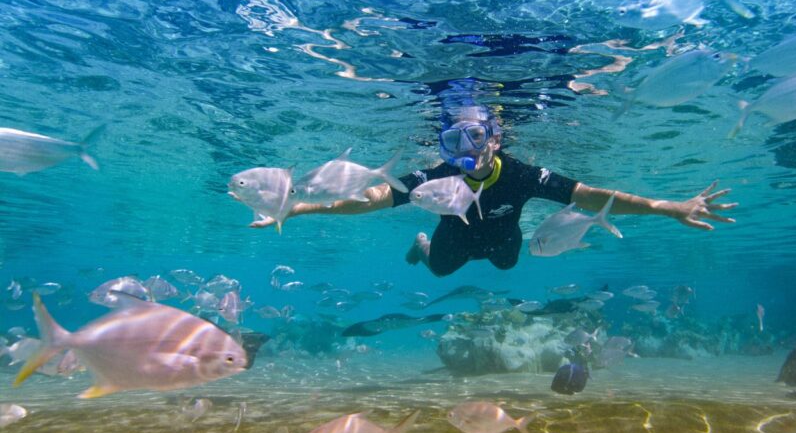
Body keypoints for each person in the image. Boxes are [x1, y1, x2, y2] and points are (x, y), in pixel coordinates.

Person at [251, 105, 737, 277]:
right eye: (453, 140)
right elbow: (373, 199)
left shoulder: (523, 174)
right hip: (452, 237)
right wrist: (298, 209)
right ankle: (422, 248)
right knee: (441, 269)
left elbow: (589, 196)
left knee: (509, 263)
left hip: (503, 239)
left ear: (496, 138)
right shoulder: (436, 177)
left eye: (476, 137)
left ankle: (472, 251)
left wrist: (667, 207)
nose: (466, 151)